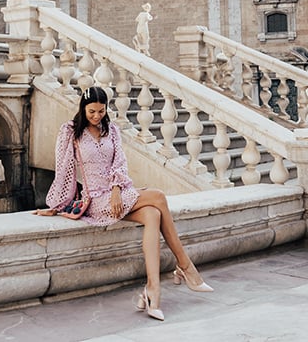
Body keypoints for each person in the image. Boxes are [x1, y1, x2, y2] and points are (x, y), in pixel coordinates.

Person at [34, 87, 212, 321]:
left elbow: (119, 163)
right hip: (95, 200)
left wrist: (117, 188)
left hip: (118, 194)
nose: (97, 116)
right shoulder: (70, 132)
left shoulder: (112, 130)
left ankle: (152, 291)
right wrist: (58, 205)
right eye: (92, 111)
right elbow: (63, 170)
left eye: (101, 110)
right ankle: (186, 267)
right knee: (157, 196)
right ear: (83, 109)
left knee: (152, 215)